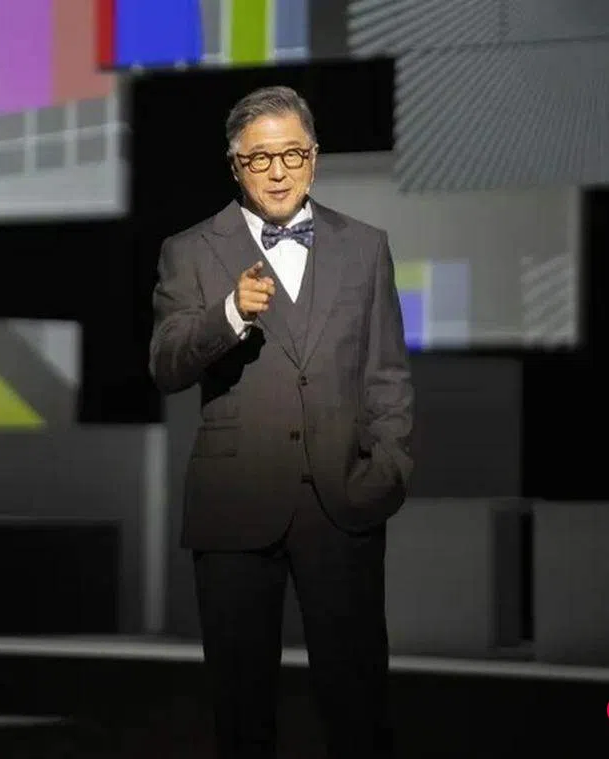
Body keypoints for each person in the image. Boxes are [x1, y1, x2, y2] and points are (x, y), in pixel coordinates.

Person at [149, 85, 414, 759]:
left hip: (343, 501)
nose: (277, 171)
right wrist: (230, 313)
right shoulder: (190, 249)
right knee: (242, 711)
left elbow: (386, 373)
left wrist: (387, 470)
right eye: (259, 158)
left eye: (292, 154)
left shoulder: (365, 247)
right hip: (236, 504)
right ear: (234, 165)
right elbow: (167, 365)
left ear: (314, 158)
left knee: (358, 705)